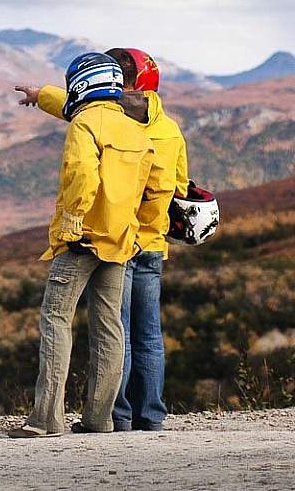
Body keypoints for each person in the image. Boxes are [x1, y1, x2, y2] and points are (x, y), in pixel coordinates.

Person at [16, 48, 188, 431]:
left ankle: (47, 418)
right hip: (125, 241)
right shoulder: (137, 125)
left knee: (56, 319)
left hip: (84, 238)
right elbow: (161, 185)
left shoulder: (85, 123)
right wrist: (137, 227)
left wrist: (73, 222)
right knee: (112, 327)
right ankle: (100, 419)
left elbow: (81, 174)